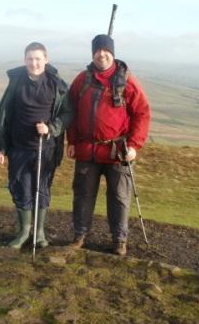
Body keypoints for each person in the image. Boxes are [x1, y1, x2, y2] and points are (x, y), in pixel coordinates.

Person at [66, 34, 151, 256]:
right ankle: (80, 236)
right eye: (97, 50)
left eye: (105, 50)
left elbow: (142, 112)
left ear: (112, 53)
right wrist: (72, 141)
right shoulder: (82, 79)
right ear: (92, 53)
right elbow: (71, 111)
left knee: (120, 197)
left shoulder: (127, 80)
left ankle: (119, 241)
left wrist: (134, 145)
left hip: (118, 152)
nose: (101, 54)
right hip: (87, 149)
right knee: (83, 195)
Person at [0, 42, 72, 249]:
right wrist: (0, 147)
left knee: (42, 189)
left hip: (46, 150)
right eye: (30, 59)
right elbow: (2, 115)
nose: (34, 63)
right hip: (19, 148)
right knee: (21, 189)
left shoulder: (57, 85)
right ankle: (24, 232)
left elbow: (68, 114)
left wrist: (50, 128)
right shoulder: (15, 84)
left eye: (38, 58)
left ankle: (39, 234)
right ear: (24, 60)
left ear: (46, 59)